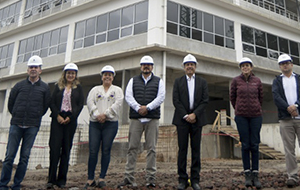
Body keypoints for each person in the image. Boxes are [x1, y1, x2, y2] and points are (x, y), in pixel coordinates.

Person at [0, 55, 51, 190]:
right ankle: (3, 184)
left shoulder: (44, 88)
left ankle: (16, 184)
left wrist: (34, 117)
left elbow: (45, 107)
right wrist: (16, 114)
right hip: (16, 125)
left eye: (36, 67)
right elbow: (11, 104)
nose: (33, 69)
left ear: (40, 70)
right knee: (9, 156)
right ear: (27, 70)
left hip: (32, 127)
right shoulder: (19, 86)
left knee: (24, 157)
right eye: (31, 67)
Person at [271, 53, 300, 187]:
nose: (285, 65)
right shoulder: (277, 81)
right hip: (286, 120)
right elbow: (276, 97)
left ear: (291, 64)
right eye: (282, 63)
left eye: (287, 62)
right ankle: (292, 176)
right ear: (280, 66)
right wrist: (288, 108)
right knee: (289, 150)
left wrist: (296, 106)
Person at [120, 55, 166, 188]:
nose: (146, 66)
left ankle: (151, 178)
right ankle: (129, 177)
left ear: (152, 67)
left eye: (149, 64)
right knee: (132, 148)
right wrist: (138, 108)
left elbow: (161, 96)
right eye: (144, 64)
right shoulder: (133, 80)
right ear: (141, 67)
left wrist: (148, 108)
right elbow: (128, 96)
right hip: (136, 118)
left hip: (152, 119)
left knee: (151, 149)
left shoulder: (159, 81)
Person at [172, 54, 209, 190]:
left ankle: (195, 180)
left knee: (196, 150)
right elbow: (176, 100)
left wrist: (194, 114)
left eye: (192, 64)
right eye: (187, 64)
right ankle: (182, 179)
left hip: (197, 120)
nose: (189, 66)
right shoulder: (178, 81)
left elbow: (205, 100)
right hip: (182, 121)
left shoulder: (202, 82)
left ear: (195, 66)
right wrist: (186, 115)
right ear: (184, 67)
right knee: (182, 150)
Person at [85, 65, 124, 188]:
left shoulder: (117, 90)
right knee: (93, 150)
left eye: (110, 75)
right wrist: (97, 115)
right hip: (95, 124)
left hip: (110, 124)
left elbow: (118, 104)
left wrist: (105, 115)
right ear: (102, 77)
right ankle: (90, 179)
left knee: (106, 150)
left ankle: (102, 178)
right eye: (105, 74)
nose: (107, 76)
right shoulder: (95, 90)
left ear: (113, 77)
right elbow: (90, 102)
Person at [47, 63, 85, 189]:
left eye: (73, 73)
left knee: (66, 150)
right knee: (54, 149)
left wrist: (71, 117)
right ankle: (51, 179)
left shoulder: (78, 88)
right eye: (68, 73)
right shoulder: (58, 86)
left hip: (70, 121)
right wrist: (57, 115)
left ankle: (61, 180)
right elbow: (51, 102)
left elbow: (80, 105)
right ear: (65, 74)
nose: (70, 75)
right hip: (57, 120)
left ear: (75, 75)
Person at [230, 57, 264, 189]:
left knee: (254, 145)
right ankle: (247, 175)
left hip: (256, 116)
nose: (245, 68)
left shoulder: (257, 81)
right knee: (245, 145)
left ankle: (255, 173)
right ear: (240, 68)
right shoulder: (235, 81)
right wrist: (239, 108)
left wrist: (256, 108)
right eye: (243, 66)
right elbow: (232, 98)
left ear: (251, 67)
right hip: (241, 117)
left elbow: (260, 98)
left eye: (247, 65)